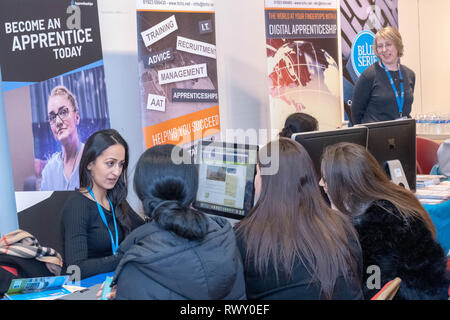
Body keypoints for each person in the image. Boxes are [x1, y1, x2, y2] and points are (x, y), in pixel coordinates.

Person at [106, 144, 246, 300]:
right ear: (193, 188)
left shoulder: (139, 265)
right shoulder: (225, 241)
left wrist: (126, 291)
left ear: (142, 192)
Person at [234, 138, 363, 300]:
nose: (255, 181)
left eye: (258, 173)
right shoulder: (340, 225)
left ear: (268, 182)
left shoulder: (244, 238)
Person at [320, 142, 450, 299]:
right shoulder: (397, 197)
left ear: (345, 187)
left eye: (325, 179)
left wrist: (337, 213)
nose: (321, 183)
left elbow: (374, 286)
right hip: (433, 288)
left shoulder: (375, 226)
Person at [61, 129, 144, 279]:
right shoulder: (77, 205)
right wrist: (124, 258)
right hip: (86, 289)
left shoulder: (116, 201)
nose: (117, 172)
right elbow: (76, 268)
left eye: (121, 165)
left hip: (113, 284)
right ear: (90, 164)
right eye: (110, 163)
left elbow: (144, 231)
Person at [351, 26, 416, 124]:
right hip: (375, 136)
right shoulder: (369, 75)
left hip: (403, 133)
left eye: (388, 44)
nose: (384, 50)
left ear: (398, 46)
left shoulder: (410, 75)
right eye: (380, 46)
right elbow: (356, 113)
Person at [40, 85, 84, 191]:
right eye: (52, 117)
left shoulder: (94, 160)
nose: (58, 122)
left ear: (76, 117)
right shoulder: (49, 171)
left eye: (63, 112)